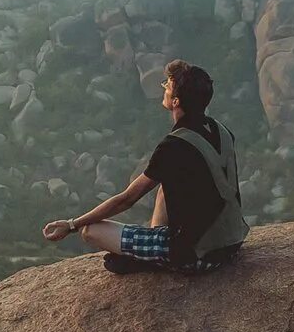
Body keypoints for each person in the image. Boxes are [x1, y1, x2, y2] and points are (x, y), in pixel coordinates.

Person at [42, 59, 249, 275]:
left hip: (195, 256)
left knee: (92, 231)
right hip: (230, 245)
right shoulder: (221, 130)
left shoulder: (175, 146)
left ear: (176, 101)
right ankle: (153, 256)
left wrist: (72, 224)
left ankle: (155, 261)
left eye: (167, 86)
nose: (164, 89)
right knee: (164, 187)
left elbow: (127, 199)